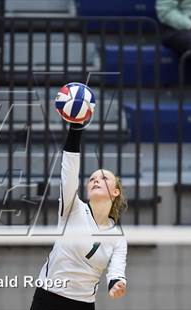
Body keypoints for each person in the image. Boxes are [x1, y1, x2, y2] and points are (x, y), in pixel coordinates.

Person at [30, 123, 128, 310]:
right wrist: (76, 129)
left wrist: (117, 282)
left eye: (103, 178)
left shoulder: (117, 237)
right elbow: (69, 170)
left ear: (115, 192)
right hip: (48, 298)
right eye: (92, 179)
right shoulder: (73, 208)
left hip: (83, 305)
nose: (96, 180)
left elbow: (117, 269)